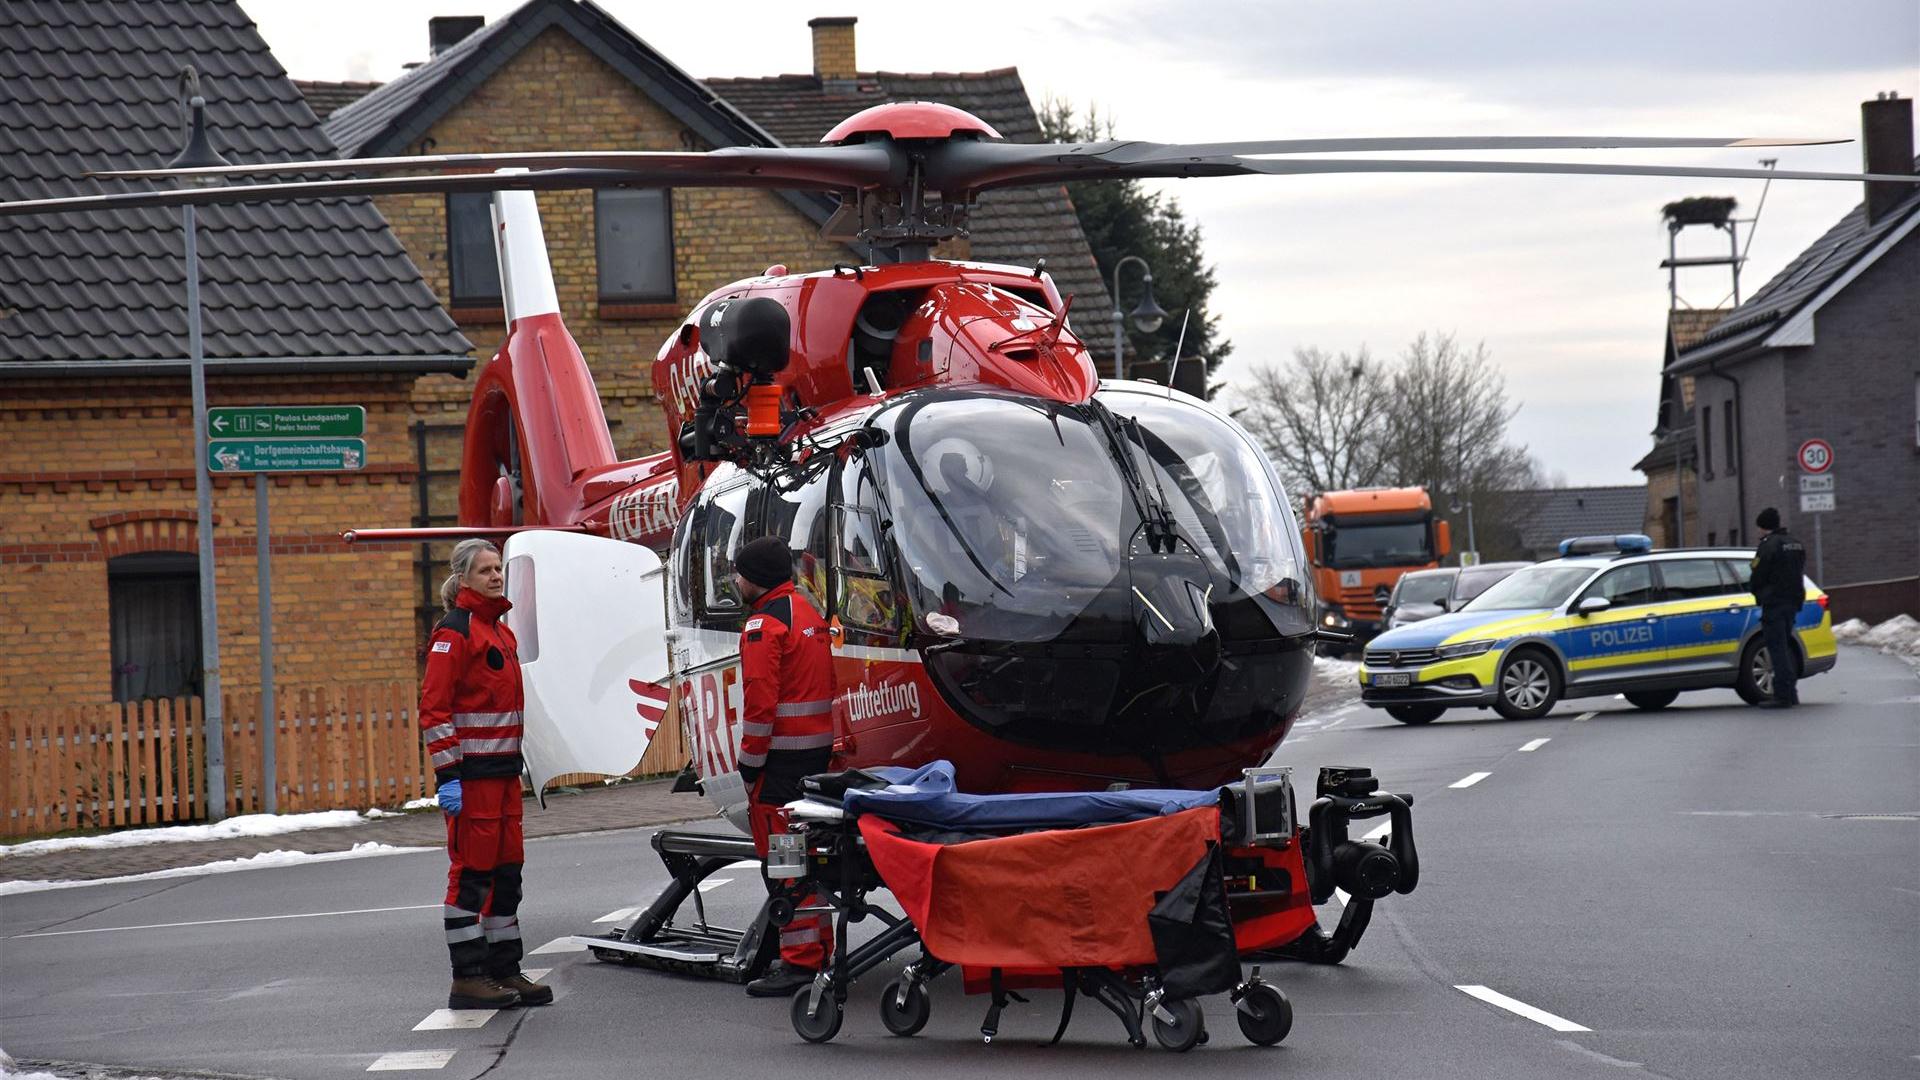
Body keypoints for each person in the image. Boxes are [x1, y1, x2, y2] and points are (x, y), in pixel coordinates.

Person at [420, 538, 553, 1009]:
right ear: (463, 580)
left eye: (499, 569)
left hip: (502, 779)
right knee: (472, 877)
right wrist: (447, 777)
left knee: (506, 875)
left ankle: (504, 970)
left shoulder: (500, 631)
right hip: (472, 781)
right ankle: (469, 977)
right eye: (485, 571)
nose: (496, 577)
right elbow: (433, 712)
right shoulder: (454, 633)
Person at [731, 535, 837, 997]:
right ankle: (818, 953)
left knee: (785, 865)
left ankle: (798, 962)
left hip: (779, 765)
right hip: (815, 758)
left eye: (738, 574)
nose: (735, 581)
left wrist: (747, 766)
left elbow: (760, 705)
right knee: (808, 863)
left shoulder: (762, 626)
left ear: (753, 579)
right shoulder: (807, 613)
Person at [1749, 507, 1808, 709]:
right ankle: (1791, 693)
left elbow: (1758, 574)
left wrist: (1757, 592)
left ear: (1763, 526)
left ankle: (1783, 695)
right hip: (1792, 602)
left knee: (1777, 649)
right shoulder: (1795, 543)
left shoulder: (1769, 546)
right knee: (1784, 647)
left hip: (1774, 603)